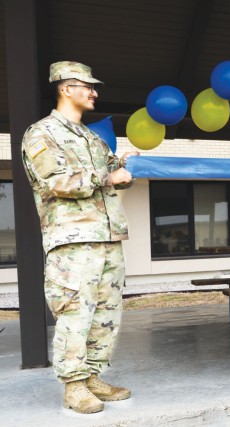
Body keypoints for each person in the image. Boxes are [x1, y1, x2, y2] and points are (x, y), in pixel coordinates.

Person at [21, 61, 139, 414]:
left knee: (106, 312)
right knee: (75, 312)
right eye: (88, 86)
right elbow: (55, 180)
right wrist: (108, 177)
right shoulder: (40, 133)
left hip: (107, 237)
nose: (94, 93)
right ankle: (74, 386)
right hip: (73, 241)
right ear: (65, 88)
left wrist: (125, 167)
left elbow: (110, 172)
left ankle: (93, 377)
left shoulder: (91, 138)